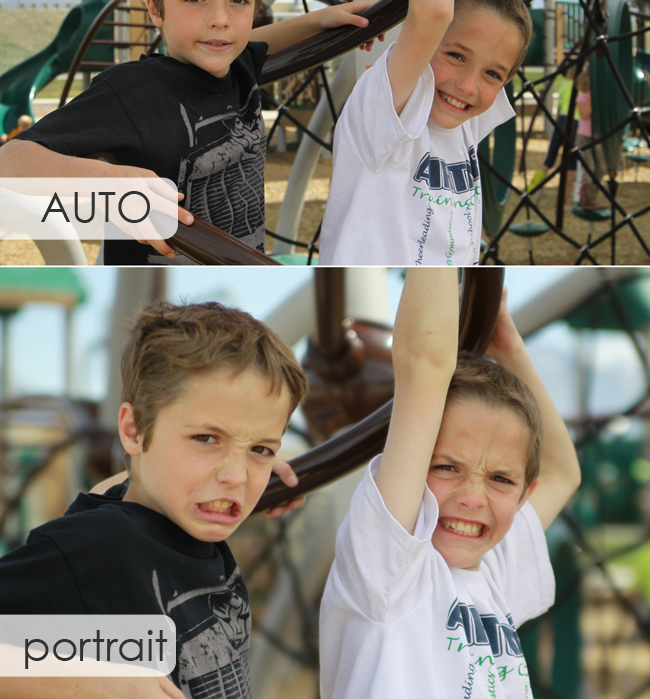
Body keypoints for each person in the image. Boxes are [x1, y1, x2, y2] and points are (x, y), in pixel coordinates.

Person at [0, 0, 375, 265]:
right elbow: (10, 160)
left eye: (238, 0)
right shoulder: (135, 89)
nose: (220, 20)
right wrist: (111, 183)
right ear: (156, 8)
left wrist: (320, 20)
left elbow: (259, 40)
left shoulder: (238, 63)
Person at [0, 300, 309, 699]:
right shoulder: (99, 543)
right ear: (133, 430)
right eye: (206, 438)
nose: (236, 476)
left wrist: (254, 456)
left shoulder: (186, 528)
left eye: (261, 449)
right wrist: (87, 681)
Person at [320, 268, 581, 699]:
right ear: (413, 464)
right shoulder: (388, 571)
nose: (473, 497)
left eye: (500, 479)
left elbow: (561, 473)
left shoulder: (494, 573)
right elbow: (424, 366)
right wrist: (440, 250)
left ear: (522, 497)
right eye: (445, 467)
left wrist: (509, 346)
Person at [319, 0, 531, 266]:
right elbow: (433, 12)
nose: (469, 84)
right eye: (455, 55)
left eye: (494, 74)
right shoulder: (390, 109)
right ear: (426, 39)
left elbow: (507, 5)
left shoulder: (463, 123)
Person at [527, 66, 579, 204]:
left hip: (561, 121)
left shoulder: (565, 84)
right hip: (575, 123)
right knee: (571, 164)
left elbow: (560, 106)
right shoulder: (582, 87)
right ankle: (564, 201)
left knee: (548, 160)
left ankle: (530, 191)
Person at [574, 67, 607, 210]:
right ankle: (586, 199)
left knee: (601, 167)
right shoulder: (583, 97)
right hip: (584, 138)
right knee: (589, 168)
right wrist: (592, 98)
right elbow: (585, 115)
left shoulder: (599, 97)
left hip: (596, 137)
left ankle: (591, 196)